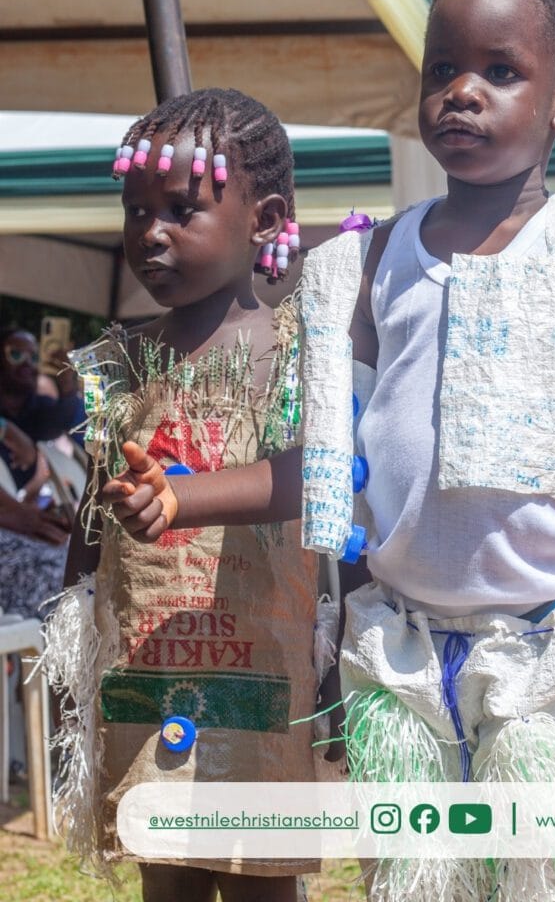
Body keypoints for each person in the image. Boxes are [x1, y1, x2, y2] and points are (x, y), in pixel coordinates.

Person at [102, 0, 555, 902]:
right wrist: (182, 498)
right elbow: (330, 466)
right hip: (399, 650)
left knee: (545, 878)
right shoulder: (367, 263)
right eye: (441, 69)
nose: (461, 92)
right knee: (417, 880)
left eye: (499, 71)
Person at [47, 88, 319, 902]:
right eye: (136, 210)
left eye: (179, 209)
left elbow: (316, 482)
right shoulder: (119, 364)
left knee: (260, 874)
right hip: (146, 666)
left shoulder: (296, 354)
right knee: (165, 872)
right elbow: (95, 516)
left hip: (263, 673)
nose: (150, 232)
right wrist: (69, 646)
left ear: (265, 220)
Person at [0, 327, 76, 617]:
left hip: (21, 518)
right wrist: (8, 430)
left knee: (78, 560)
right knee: (58, 574)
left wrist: (67, 386)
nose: (26, 364)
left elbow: (64, 421)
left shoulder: (37, 410)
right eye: (15, 354)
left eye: (33, 357)